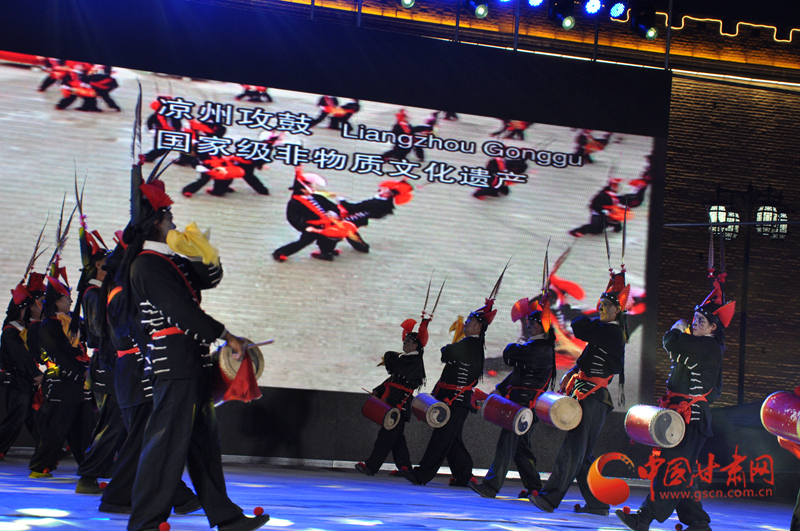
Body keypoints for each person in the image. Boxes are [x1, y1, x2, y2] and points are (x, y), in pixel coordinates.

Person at [118, 153, 268, 531]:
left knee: (204, 445)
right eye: (169, 217)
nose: (175, 223)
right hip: (174, 363)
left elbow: (209, 279)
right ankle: (145, 522)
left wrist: (201, 251)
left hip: (189, 361)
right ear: (156, 223)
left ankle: (226, 518)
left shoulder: (167, 262)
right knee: (164, 445)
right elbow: (180, 312)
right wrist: (226, 336)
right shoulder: (146, 264)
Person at [616, 285, 733, 531]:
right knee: (682, 473)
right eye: (695, 318)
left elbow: (671, 343)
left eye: (702, 321)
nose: (695, 323)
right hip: (681, 415)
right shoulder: (698, 344)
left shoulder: (710, 347)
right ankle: (698, 523)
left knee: (672, 470)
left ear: (713, 328)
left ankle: (644, 518)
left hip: (692, 418)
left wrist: (676, 329)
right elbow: (675, 346)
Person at [529, 272, 628, 516]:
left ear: (618, 310)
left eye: (607, 305)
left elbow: (579, 325)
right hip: (588, 395)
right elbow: (586, 357)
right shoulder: (605, 330)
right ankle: (597, 503)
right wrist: (573, 374)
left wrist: (592, 315)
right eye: (600, 304)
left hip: (593, 398)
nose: (601, 308)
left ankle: (549, 498)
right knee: (583, 456)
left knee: (573, 450)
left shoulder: (612, 332)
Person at [403, 298, 497, 487]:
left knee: (442, 438)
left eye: (469, 321)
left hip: (456, 400)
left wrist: (449, 348)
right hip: (454, 399)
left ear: (478, 327)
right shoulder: (471, 344)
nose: (466, 323)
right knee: (452, 438)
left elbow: (446, 353)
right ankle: (464, 475)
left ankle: (422, 474)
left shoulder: (470, 344)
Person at [470, 308, 555, 499]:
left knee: (507, 445)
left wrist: (516, 346)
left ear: (543, 327)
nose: (528, 326)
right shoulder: (537, 347)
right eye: (528, 323)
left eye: (532, 323)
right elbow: (517, 372)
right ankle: (534, 487)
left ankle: (491, 486)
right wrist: (500, 388)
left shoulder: (541, 349)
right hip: (524, 404)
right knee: (520, 449)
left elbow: (510, 354)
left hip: (525, 406)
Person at [73, 227, 126, 494]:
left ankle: (119, 477)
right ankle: (89, 475)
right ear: (98, 265)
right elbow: (96, 335)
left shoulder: (102, 292)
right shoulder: (94, 294)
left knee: (122, 424)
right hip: (108, 365)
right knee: (112, 424)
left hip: (115, 364)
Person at [28, 273, 96, 478]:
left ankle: (89, 467)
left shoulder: (74, 321)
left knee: (82, 427)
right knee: (57, 427)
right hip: (62, 381)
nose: (70, 302)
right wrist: (80, 372)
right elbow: (58, 354)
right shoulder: (48, 325)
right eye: (67, 298)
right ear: (57, 302)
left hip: (79, 381)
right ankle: (40, 466)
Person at [355, 318, 427, 477]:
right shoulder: (406, 360)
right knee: (397, 438)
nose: (404, 343)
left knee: (386, 437)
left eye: (408, 341)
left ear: (416, 345)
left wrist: (390, 356)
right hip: (395, 403)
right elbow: (392, 380)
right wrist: (378, 390)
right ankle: (405, 468)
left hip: (400, 404)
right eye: (405, 340)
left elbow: (394, 368)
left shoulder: (414, 361)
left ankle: (371, 467)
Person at [0, 285, 43, 458]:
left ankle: (47, 448)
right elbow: (21, 357)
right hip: (17, 381)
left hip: (25, 380)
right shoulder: (10, 332)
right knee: (16, 417)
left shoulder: (24, 330)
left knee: (32, 418)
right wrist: (36, 373)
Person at [272, 168, 344, 262]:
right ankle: (280, 252)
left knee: (331, 238)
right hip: (312, 226)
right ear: (302, 190)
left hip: (328, 223)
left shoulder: (317, 197)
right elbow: (293, 218)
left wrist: (335, 213)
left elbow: (331, 206)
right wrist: (304, 227)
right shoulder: (295, 203)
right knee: (303, 242)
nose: (314, 188)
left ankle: (327, 252)